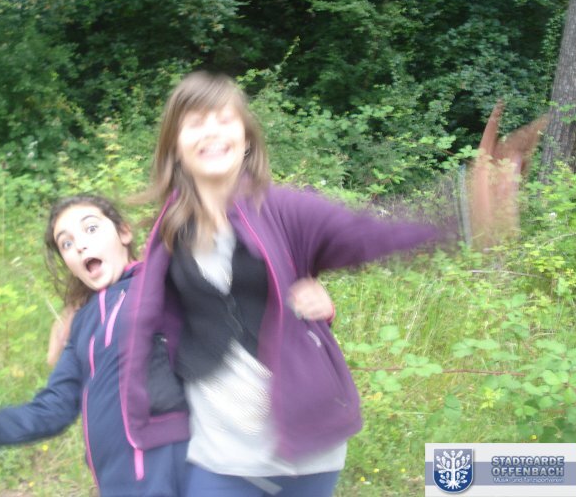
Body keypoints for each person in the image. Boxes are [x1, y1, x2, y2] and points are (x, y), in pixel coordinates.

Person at [118, 71, 547, 497]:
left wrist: (466, 212)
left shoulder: (285, 209)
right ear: (175, 144)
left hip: (305, 454)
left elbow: (372, 234)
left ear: (246, 138)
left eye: (225, 119)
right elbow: (146, 320)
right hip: (218, 456)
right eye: (196, 122)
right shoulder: (167, 232)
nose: (212, 131)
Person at [0, 194, 336, 496]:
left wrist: (304, 303)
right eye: (66, 242)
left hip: (179, 468)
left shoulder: (162, 282)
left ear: (123, 233)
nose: (80, 244)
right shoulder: (82, 327)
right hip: (117, 482)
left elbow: (237, 302)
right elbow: (52, 410)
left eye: (90, 228)